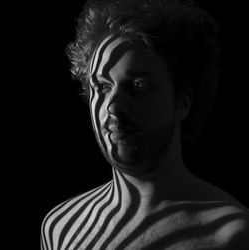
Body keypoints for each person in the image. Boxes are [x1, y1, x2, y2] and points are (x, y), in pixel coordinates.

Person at [41, 0, 249, 249]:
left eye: (139, 85)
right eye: (102, 87)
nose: (113, 107)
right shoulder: (60, 227)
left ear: (183, 100)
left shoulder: (232, 234)